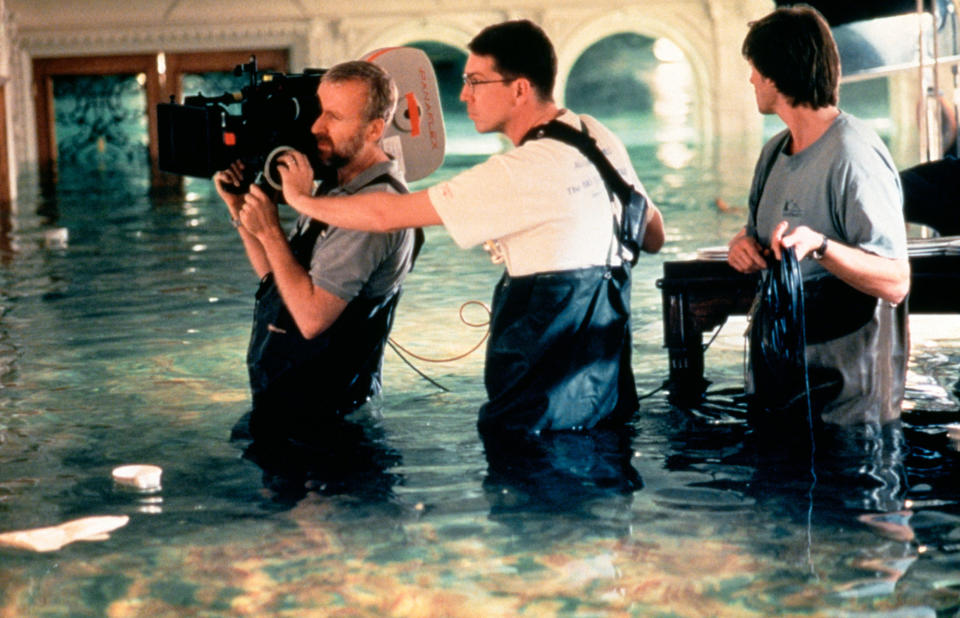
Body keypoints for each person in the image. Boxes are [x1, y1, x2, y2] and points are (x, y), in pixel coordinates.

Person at [275, 19, 665, 436]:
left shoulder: (517, 172)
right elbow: (653, 235)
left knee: (527, 490)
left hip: (538, 407)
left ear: (519, 89)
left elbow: (385, 215)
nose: (463, 95)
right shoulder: (594, 133)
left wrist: (301, 200)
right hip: (605, 389)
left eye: (476, 81)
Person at [726, 6, 910, 430]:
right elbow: (754, 231)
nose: (751, 79)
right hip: (781, 380)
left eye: (754, 68)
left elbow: (896, 281)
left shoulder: (854, 154)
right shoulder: (773, 152)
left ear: (775, 74)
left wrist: (822, 247)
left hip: (846, 405)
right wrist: (741, 245)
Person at [216, 60, 418, 442]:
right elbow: (278, 281)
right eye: (318, 111)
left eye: (334, 116)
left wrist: (273, 227)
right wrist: (240, 210)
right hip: (292, 403)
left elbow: (311, 318)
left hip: (329, 421)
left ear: (375, 128)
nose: (315, 127)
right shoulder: (333, 192)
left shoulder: (371, 209)